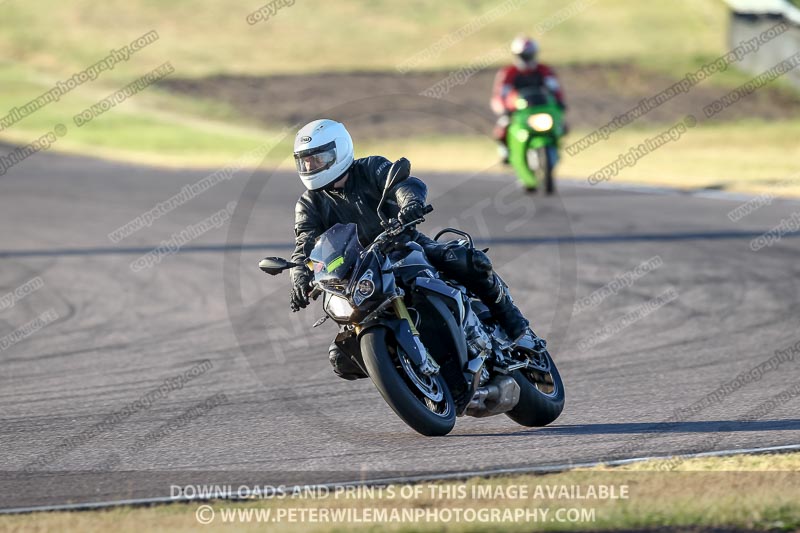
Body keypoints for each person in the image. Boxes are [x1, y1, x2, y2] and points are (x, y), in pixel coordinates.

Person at [289, 119, 544, 380]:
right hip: (358, 272)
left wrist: (409, 203)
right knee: (342, 357)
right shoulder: (309, 203)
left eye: (318, 159)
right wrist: (300, 278)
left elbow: (406, 185)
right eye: (305, 161)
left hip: (403, 243)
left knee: (468, 261)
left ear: (339, 150)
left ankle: (517, 331)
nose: (311, 166)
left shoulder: (370, 168)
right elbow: (305, 244)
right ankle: (403, 370)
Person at [491, 36, 567, 163]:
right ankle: (506, 152)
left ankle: (556, 148)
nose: (526, 59)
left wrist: (559, 102)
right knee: (502, 127)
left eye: (529, 55)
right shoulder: (509, 72)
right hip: (519, 111)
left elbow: (554, 88)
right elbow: (500, 94)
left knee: (561, 126)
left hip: (540, 109)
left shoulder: (543, 70)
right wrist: (503, 108)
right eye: (523, 56)